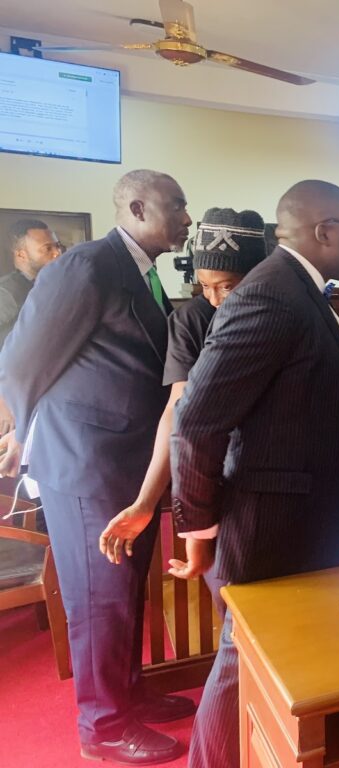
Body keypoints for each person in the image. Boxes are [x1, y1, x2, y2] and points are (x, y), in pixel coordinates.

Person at [169, 180, 339, 768]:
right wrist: (200, 527)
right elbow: (197, 422)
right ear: (325, 232)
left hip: (308, 513)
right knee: (245, 659)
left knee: (276, 658)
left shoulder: (303, 290)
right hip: (271, 529)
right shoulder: (270, 295)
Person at [0, 170, 194, 765]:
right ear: (137, 208)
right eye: (177, 207)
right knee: (98, 598)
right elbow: (22, 361)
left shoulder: (145, 271)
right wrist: (20, 436)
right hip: (86, 466)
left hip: (127, 465)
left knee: (126, 591)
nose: (187, 219)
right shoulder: (86, 265)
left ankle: (128, 692)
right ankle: (104, 726)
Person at [98, 208, 267, 619]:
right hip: (223, 476)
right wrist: (145, 500)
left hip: (281, 472)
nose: (214, 299)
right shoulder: (193, 320)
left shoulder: (279, 314)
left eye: (227, 286)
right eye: (205, 285)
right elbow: (179, 412)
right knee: (237, 607)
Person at [0, 218, 62, 346]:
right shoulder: (6, 292)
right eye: (47, 248)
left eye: (57, 246)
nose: (57, 253)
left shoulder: (52, 285)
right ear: (21, 255)